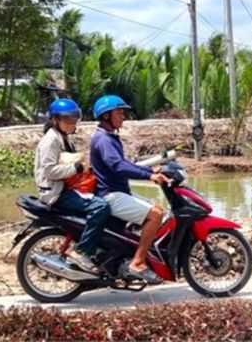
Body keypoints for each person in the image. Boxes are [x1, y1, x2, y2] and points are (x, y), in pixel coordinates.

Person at [89, 95, 168, 285]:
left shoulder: (108, 137)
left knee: (156, 210)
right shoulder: (104, 140)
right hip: (111, 195)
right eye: (119, 112)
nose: (123, 116)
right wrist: (149, 176)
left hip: (117, 192)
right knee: (156, 214)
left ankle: (129, 254)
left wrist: (150, 169)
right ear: (106, 115)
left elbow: (124, 164)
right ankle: (138, 262)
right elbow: (118, 167)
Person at [34, 98, 111, 274]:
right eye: (67, 120)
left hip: (65, 188)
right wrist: (75, 167)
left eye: (74, 119)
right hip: (55, 193)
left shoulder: (63, 138)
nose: (72, 123)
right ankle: (81, 252)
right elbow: (48, 171)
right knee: (101, 207)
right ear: (55, 120)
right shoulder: (51, 140)